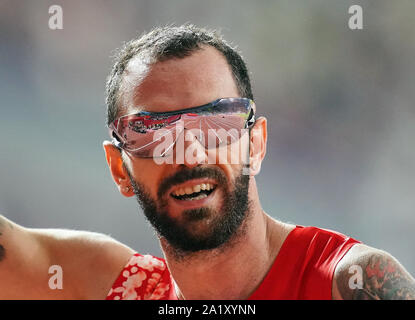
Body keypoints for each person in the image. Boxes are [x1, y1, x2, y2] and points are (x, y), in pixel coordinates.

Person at [1, 25, 414, 300]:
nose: (189, 153)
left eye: (215, 121)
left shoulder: (347, 284)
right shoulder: (119, 287)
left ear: (255, 143)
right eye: (153, 132)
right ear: (118, 169)